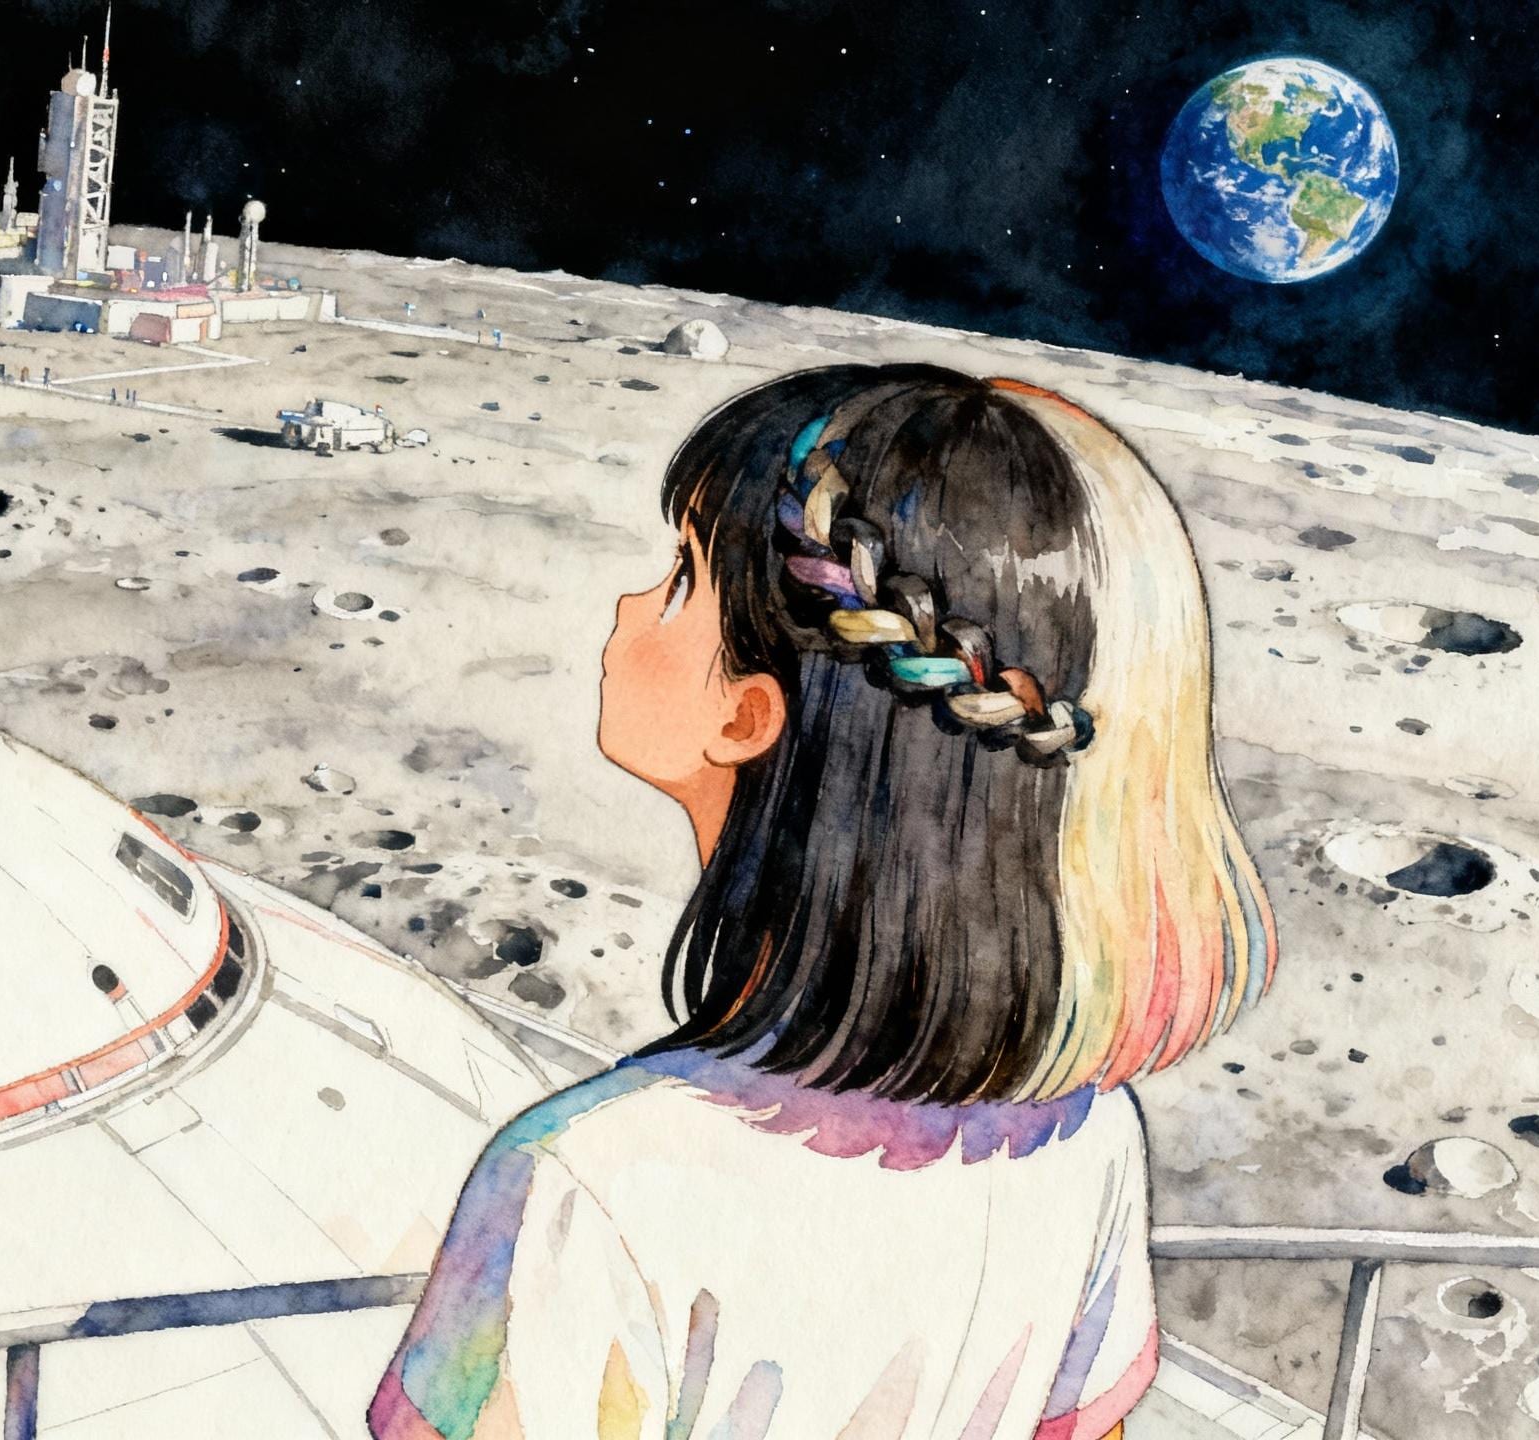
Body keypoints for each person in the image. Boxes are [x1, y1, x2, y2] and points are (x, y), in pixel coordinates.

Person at [370, 365, 1275, 1439]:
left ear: (748, 716)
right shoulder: (1087, 1132)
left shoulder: (584, 1178)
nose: (626, 604)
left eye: (680, 576)